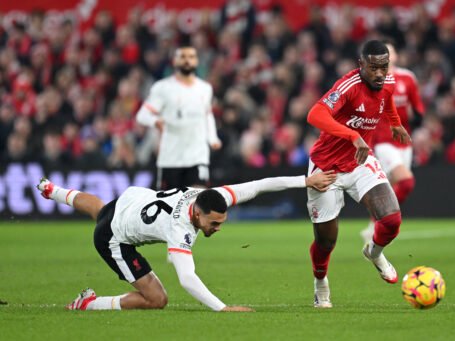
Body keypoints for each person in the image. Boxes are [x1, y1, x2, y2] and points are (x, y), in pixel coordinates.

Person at [36, 170, 336, 311]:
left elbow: (259, 186)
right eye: (213, 223)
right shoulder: (180, 228)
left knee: (98, 207)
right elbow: (188, 278)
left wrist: (305, 181)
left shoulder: (214, 196)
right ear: (197, 214)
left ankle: (54, 191)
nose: (218, 228)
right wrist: (222, 308)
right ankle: (88, 304)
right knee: (157, 300)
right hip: (114, 238)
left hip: (130, 200)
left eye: (222, 221)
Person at [305, 40, 411, 308]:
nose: (379, 73)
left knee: (391, 220)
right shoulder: (348, 86)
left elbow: (386, 102)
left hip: (360, 161)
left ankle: (374, 253)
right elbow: (315, 114)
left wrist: (395, 124)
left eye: (383, 67)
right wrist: (352, 135)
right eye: (373, 67)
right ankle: (320, 282)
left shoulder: (387, 81)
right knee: (326, 242)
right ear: (361, 65)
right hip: (326, 167)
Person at [360, 41, 425, 243]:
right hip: (382, 140)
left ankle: (373, 225)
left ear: (395, 56)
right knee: (405, 181)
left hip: (404, 141)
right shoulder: (372, 80)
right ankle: (385, 222)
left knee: (391, 186)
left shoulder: (408, 78)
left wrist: (418, 119)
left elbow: (418, 107)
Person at [136, 45, 222, 190]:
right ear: (175, 61)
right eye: (182, 57)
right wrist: (155, 121)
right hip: (171, 157)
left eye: (191, 57)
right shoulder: (162, 88)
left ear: (196, 61)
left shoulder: (205, 88)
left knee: (198, 198)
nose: (187, 61)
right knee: (168, 203)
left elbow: (207, 115)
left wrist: (213, 138)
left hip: (197, 155)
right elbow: (142, 115)